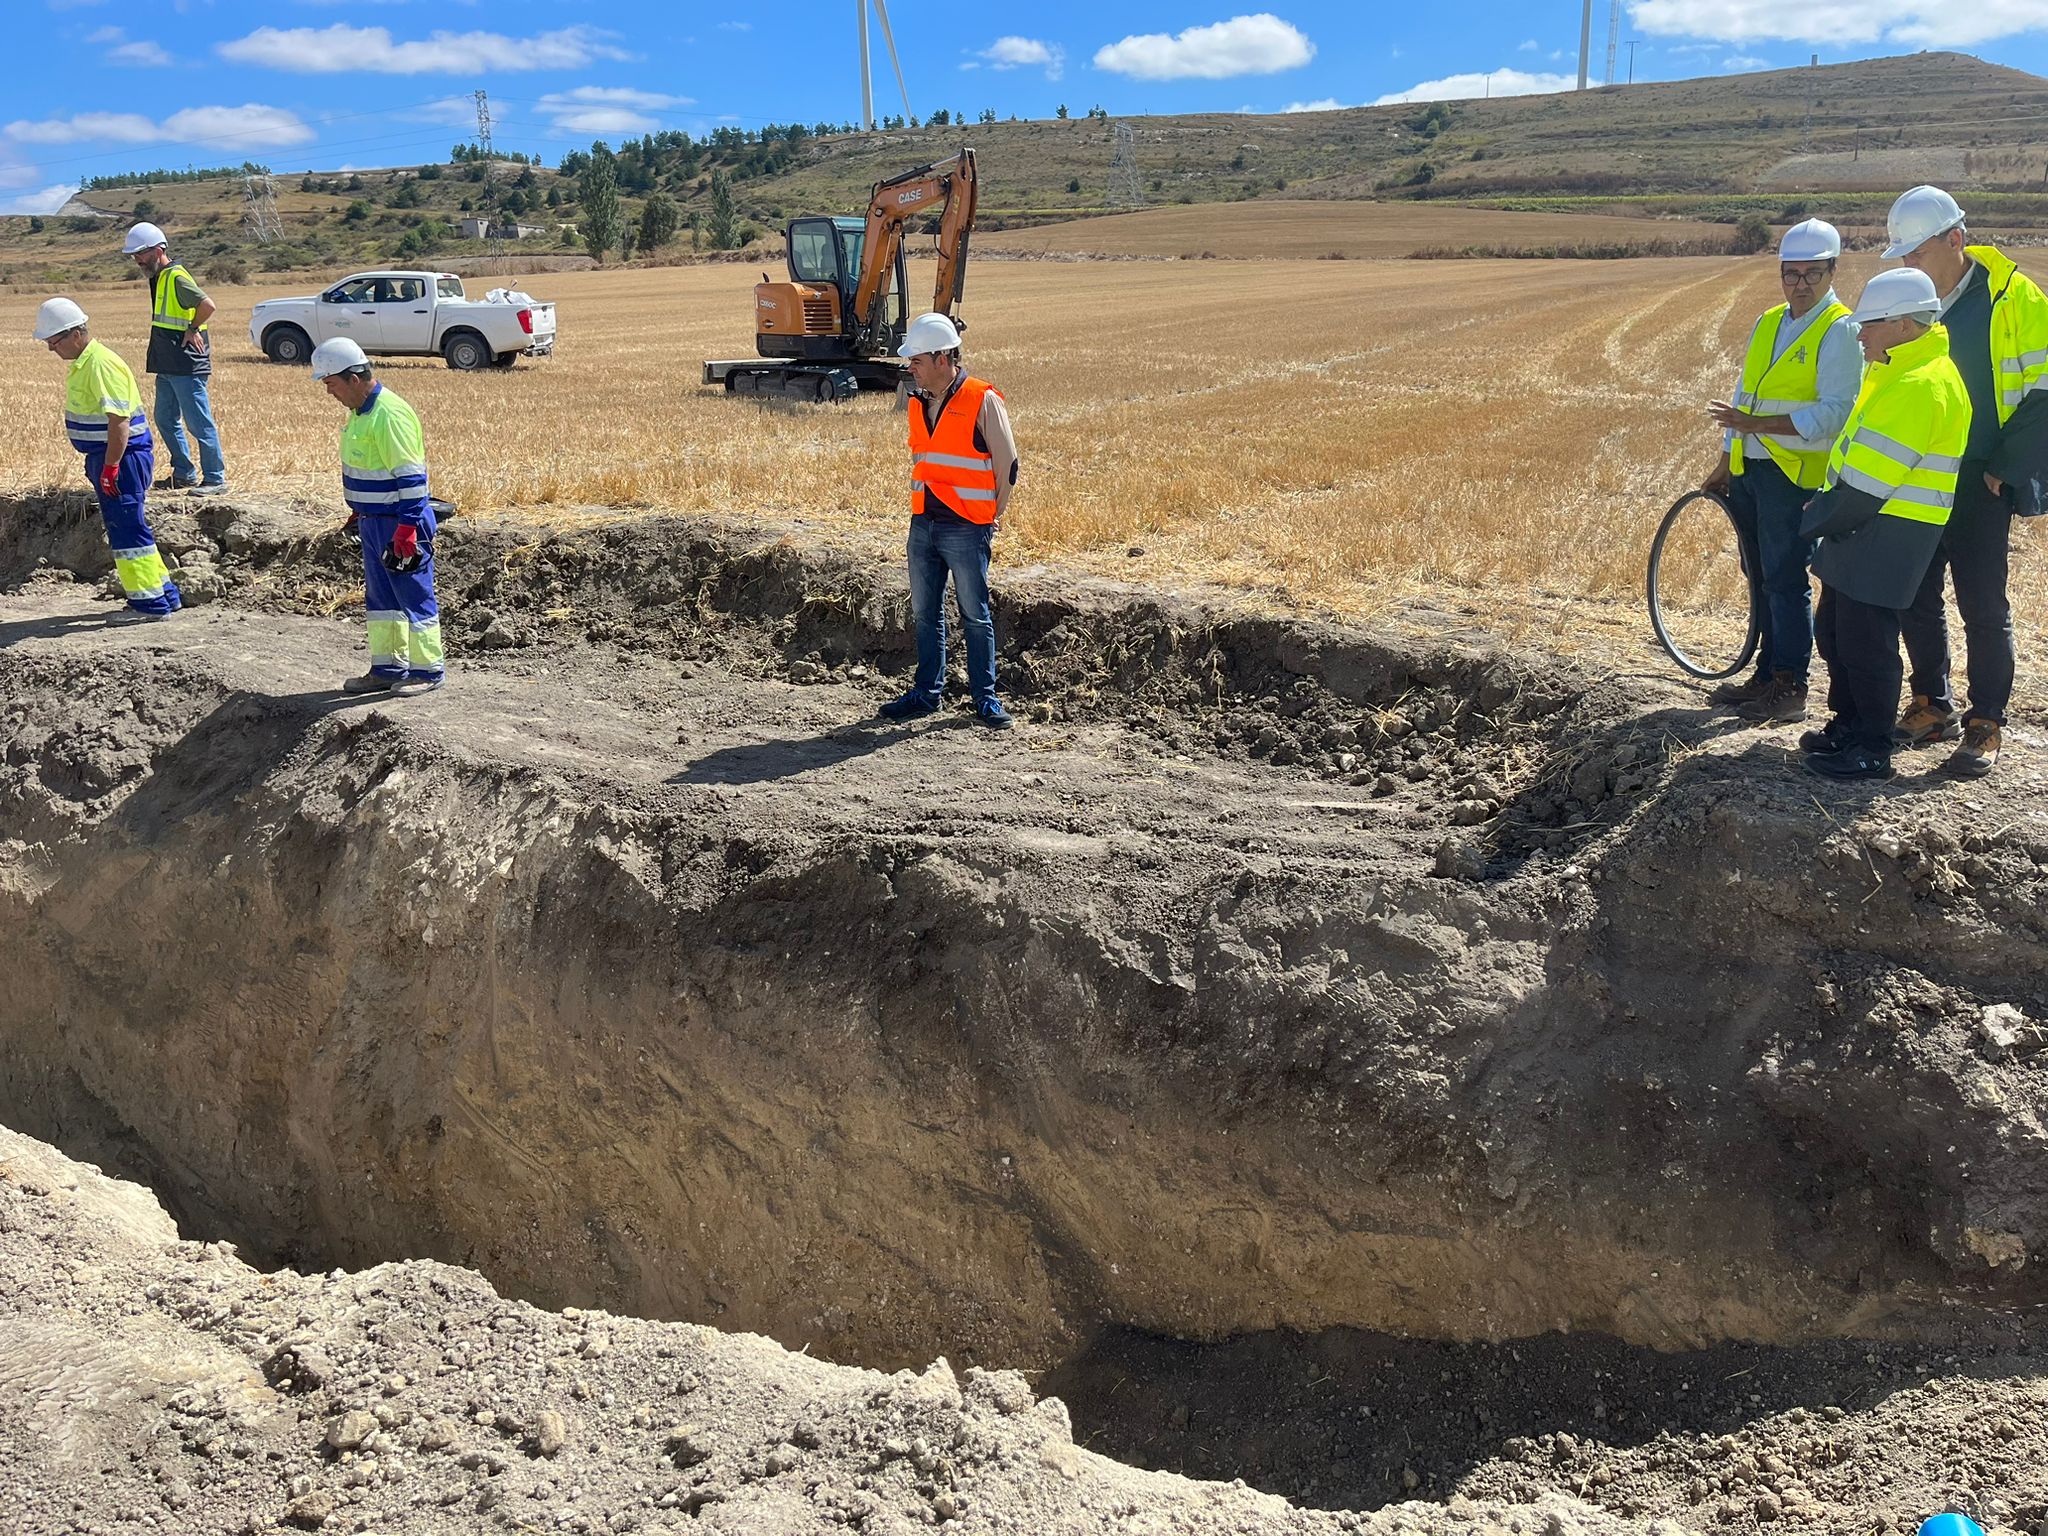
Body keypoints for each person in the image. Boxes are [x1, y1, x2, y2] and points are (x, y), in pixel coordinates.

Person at [1884, 185, 2048, 776]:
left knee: (1982, 602)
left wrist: (2007, 467)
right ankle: (1931, 704)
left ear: (1956, 240)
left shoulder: (2014, 298)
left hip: (1981, 480)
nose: (1908, 267)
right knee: (1915, 594)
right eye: (1901, 256)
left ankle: (1986, 721)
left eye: (1917, 253)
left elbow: (2044, 392)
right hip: (1920, 474)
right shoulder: (1912, 301)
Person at [1798, 268, 1970, 780]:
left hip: (1891, 530)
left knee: (1866, 644)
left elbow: (1870, 485)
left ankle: (1872, 748)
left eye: (1867, 325)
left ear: (1900, 324)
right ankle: (1849, 724)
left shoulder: (1921, 384)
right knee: (1834, 632)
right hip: (1866, 525)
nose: (1860, 334)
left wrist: (1811, 520)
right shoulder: (1896, 369)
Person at [1704, 218, 1862, 721]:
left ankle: (1791, 685)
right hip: (1752, 468)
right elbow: (1743, 395)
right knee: (1759, 573)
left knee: (1786, 577)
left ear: (1832, 271)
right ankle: (1767, 674)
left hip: (1793, 475)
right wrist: (1729, 456)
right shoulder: (1769, 321)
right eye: (1791, 274)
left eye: (1812, 274)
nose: (1800, 284)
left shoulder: (1840, 331)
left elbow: (1836, 414)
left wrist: (1757, 425)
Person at [876, 312, 1021, 730]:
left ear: (942, 358)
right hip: (924, 523)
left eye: (916, 361)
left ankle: (985, 698)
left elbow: (1007, 464)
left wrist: (993, 513)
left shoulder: (982, 399)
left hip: (966, 526)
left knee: (974, 614)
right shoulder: (917, 402)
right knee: (925, 613)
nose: (910, 368)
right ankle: (927, 694)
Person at [309, 338, 445, 696]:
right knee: (382, 601)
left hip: (400, 523)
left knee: (413, 595)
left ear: (353, 379)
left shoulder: (389, 414)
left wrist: (408, 526)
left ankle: (427, 671)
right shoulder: (360, 414)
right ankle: (388, 667)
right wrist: (360, 511)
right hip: (374, 522)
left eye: (331, 384)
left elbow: (411, 477)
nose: (329, 393)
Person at [34, 297, 181, 623]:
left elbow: (120, 423)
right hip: (112, 457)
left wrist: (111, 466)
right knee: (132, 527)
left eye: (53, 342)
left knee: (127, 532)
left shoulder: (100, 364)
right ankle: (164, 594)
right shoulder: (89, 362)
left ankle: (149, 605)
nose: (51, 349)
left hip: (121, 458)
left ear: (74, 334)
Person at [124, 220, 228, 494]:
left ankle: (215, 479)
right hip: (168, 362)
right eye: (134, 255)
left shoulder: (176, 276)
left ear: (158, 250)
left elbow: (208, 305)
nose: (137, 260)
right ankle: (184, 474)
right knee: (165, 419)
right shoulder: (159, 277)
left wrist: (192, 328)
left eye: (141, 254)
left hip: (186, 364)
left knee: (199, 423)